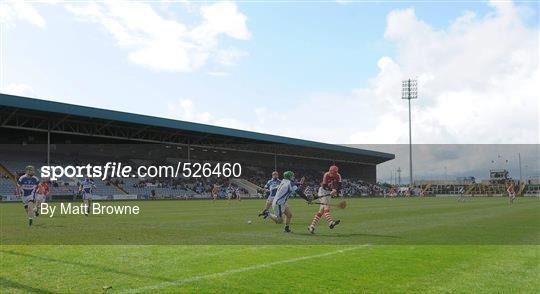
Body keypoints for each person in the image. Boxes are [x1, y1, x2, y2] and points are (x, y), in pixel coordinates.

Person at [308, 165, 341, 234]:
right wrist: (333, 190)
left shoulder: (338, 176)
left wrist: (335, 190)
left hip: (329, 192)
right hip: (323, 191)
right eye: (330, 172)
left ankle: (312, 226)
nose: (331, 174)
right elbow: (324, 186)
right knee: (326, 206)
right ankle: (330, 222)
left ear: (336, 173)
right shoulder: (326, 175)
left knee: (321, 211)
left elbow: (339, 186)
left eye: (333, 173)